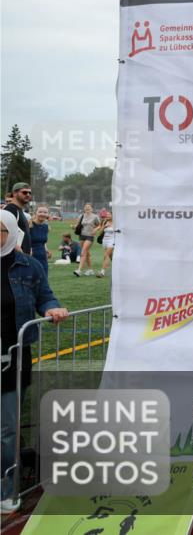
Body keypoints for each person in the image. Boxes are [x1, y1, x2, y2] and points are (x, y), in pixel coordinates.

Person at [1, 210, 69, 513]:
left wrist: (52, 308)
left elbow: (45, 296)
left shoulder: (29, 267)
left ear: (11, 233)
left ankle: (7, 488)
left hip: (13, 356)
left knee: (7, 428)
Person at [3, 183, 32, 254]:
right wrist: (19, 251)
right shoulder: (11, 209)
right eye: (24, 192)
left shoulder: (19, 210)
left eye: (29, 193)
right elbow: (4, 233)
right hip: (14, 256)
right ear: (15, 193)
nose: (28, 195)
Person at [73, 203, 101, 277]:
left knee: (83, 252)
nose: (87, 208)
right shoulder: (81, 216)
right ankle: (90, 270)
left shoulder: (95, 217)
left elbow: (100, 225)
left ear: (92, 209)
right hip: (81, 236)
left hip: (90, 236)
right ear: (84, 208)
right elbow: (78, 224)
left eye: (89, 207)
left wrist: (96, 229)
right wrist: (74, 226)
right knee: (87, 253)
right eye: (86, 207)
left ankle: (79, 270)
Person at [28, 206, 51, 276]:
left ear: (48, 214)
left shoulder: (46, 227)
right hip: (31, 255)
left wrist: (47, 251)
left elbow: (43, 242)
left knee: (44, 278)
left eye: (45, 212)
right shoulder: (29, 225)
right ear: (36, 213)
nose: (42, 214)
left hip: (43, 256)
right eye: (40, 212)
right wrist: (29, 249)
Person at [97, 210, 114, 278]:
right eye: (107, 214)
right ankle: (118, 268)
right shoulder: (105, 222)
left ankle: (102, 272)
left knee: (106, 255)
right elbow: (100, 233)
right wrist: (104, 226)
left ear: (113, 215)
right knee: (111, 256)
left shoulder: (116, 223)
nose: (107, 216)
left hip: (112, 240)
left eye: (109, 214)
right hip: (105, 241)